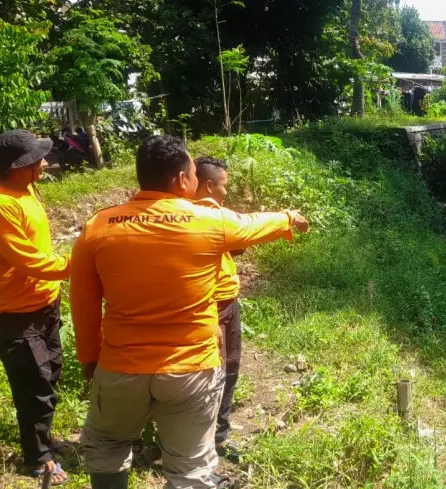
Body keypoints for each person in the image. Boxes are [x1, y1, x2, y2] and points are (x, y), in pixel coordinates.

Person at [70, 136, 308, 489]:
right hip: (191, 368)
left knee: (107, 447)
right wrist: (290, 217)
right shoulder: (208, 222)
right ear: (183, 179)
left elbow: (83, 301)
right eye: (194, 173)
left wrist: (90, 357)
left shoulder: (99, 226)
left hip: (120, 366)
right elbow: (254, 223)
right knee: (191, 466)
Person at [0, 130, 71, 485]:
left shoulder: (27, 190)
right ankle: (38, 457)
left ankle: (43, 437)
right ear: (20, 166)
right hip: (15, 311)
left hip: (44, 301)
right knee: (34, 382)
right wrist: (82, 262)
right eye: (38, 159)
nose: (44, 163)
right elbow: (30, 261)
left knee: (51, 373)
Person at [192, 157, 243, 457]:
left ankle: (219, 435)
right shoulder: (194, 218)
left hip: (229, 300)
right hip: (208, 306)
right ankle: (200, 442)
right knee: (210, 374)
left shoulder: (217, 215)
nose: (227, 190)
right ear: (209, 185)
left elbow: (238, 245)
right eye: (224, 185)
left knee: (230, 367)